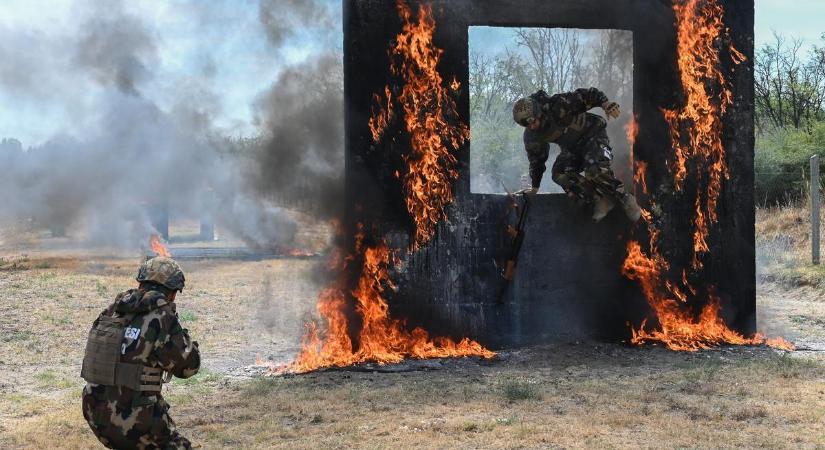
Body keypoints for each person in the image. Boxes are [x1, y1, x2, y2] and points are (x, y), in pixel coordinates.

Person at [81, 256, 200, 449]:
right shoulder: (161, 317)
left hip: (96, 413)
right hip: (133, 419)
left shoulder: (111, 311)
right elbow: (188, 368)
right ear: (172, 294)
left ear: (139, 283)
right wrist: (182, 334)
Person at [512, 87, 642, 222]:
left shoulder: (558, 105)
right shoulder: (532, 136)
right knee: (559, 173)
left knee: (594, 168)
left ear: (538, 112)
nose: (532, 126)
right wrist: (535, 186)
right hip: (572, 149)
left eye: (533, 121)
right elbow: (536, 160)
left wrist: (605, 104)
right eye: (526, 125)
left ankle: (626, 198)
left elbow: (588, 95)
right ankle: (600, 199)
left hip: (593, 135)